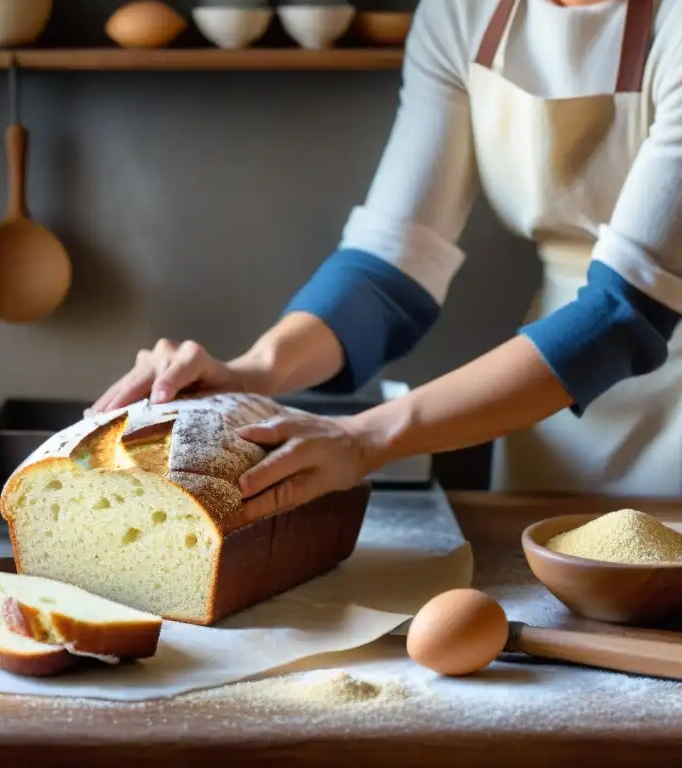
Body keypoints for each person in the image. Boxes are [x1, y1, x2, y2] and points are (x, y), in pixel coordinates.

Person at [91, 0, 682, 519]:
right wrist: (253, 371)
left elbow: (621, 313)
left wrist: (366, 437)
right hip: (546, 385)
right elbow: (390, 267)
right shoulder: (461, 14)